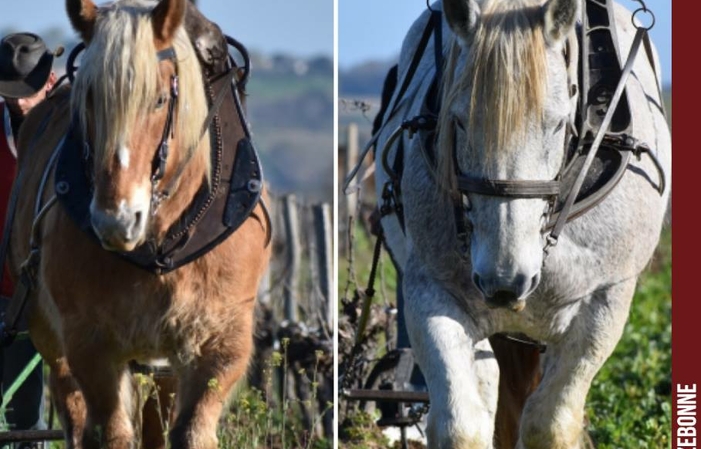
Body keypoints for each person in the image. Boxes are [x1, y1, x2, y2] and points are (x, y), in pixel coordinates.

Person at [0, 32, 58, 448]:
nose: (18, 102)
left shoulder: (73, 131)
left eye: (27, 93)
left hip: (54, 290)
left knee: (27, 414)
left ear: (49, 83)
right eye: (8, 94)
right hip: (2, 287)